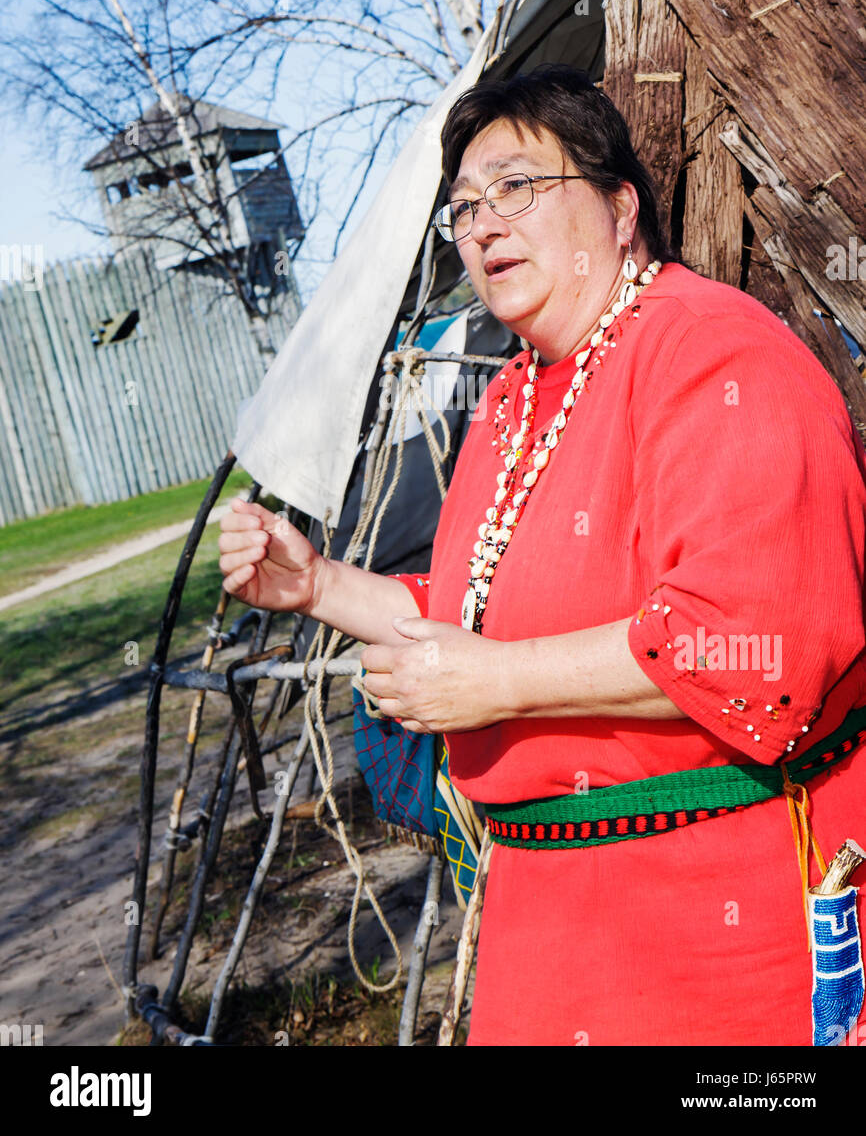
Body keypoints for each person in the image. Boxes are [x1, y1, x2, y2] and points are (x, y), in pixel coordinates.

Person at [219, 64, 866, 1046]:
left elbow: (758, 642)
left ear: (617, 207)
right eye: (463, 208)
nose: (480, 224)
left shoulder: (710, 353)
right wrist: (314, 584)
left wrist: (497, 683)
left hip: (712, 937)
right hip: (549, 934)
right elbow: (487, 606)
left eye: (516, 187)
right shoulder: (518, 395)